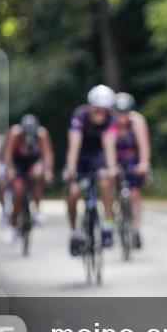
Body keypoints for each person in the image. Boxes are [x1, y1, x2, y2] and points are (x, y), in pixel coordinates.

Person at [63, 85, 119, 256]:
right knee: (72, 193)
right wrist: (70, 169)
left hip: (97, 155)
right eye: (96, 109)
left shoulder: (111, 120)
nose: (100, 114)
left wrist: (111, 167)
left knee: (105, 183)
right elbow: (74, 146)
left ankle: (108, 225)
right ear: (90, 106)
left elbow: (109, 146)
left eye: (104, 110)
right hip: (80, 156)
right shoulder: (80, 117)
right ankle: (74, 233)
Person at [4, 114, 54, 242]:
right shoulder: (15, 133)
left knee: (37, 178)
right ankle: (14, 226)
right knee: (18, 191)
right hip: (18, 164)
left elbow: (47, 154)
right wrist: (10, 170)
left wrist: (47, 171)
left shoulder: (41, 134)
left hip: (33, 163)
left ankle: (37, 211)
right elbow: (8, 154)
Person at [112, 92, 152, 249]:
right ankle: (116, 216)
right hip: (114, 161)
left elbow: (144, 145)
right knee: (111, 188)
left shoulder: (137, 121)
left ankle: (136, 229)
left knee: (134, 193)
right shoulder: (110, 123)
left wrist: (144, 164)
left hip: (132, 160)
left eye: (125, 112)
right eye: (119, 112)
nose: (122, 116)